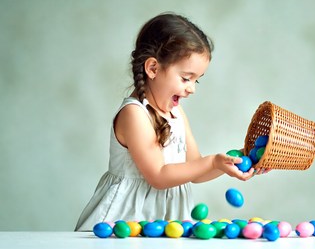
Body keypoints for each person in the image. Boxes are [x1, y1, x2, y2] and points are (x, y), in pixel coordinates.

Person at [75, 12, 264, 231]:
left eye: (196, 81)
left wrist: (237, 159)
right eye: (186, 78)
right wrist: (213, 162)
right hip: (123, 224)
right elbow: (158, 175)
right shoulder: (134, 114)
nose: (191, 88)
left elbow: (195, 169)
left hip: (163, 226)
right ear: (153, 68)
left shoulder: (176, 113)